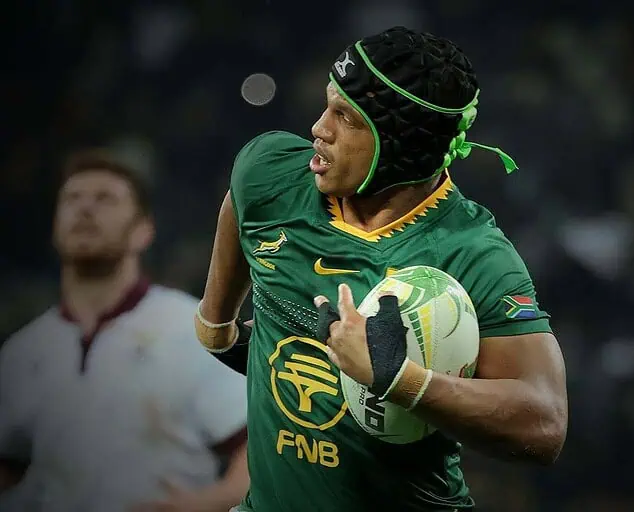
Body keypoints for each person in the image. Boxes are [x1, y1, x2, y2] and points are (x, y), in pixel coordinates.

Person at [195, 26, 568, 512]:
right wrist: (216, 324)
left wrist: (398, 380)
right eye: (327, 104)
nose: (319, 128)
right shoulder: (272, 174)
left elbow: (544, 425)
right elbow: (241, 197)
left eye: (346, 117)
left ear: (400, 144)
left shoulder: (473, 253)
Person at [0, 150, 250, 512]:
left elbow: (255, 452)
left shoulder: (190, 329)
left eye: (105, 199)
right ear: (54, 227)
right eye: (72, 199)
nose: (85, 209)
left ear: (143, 231)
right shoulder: (23, 350)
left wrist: (199, 505)